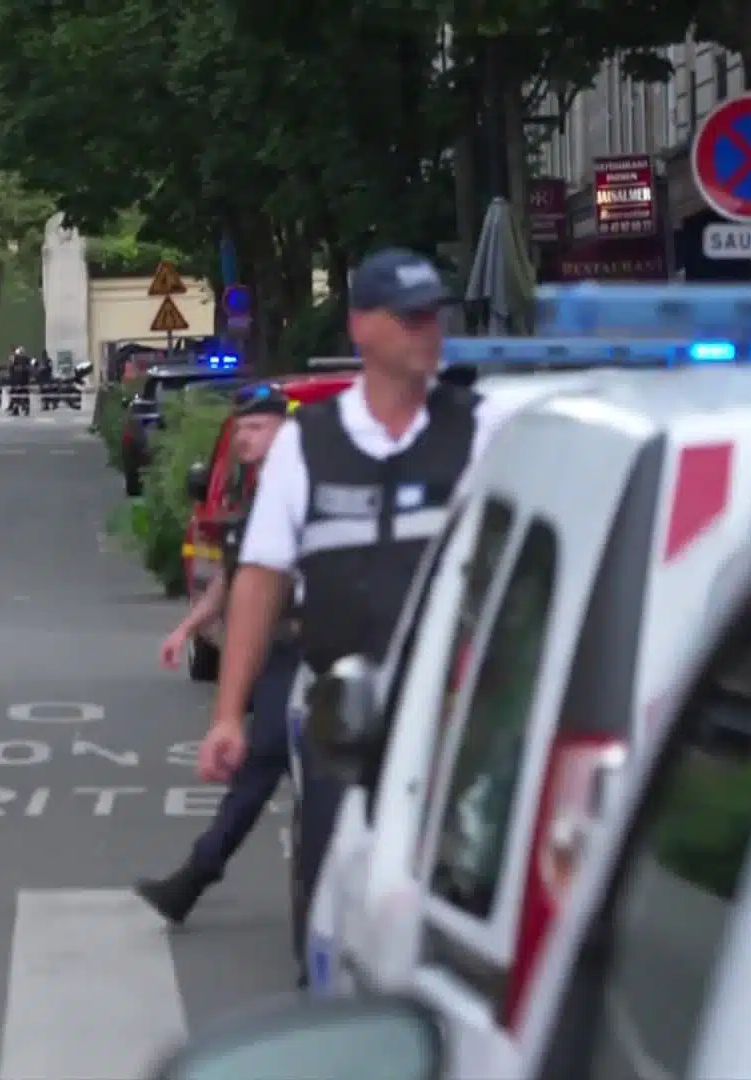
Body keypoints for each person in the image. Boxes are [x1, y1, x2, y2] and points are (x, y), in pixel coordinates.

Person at [194, 248, 515, 988]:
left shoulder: (486, 428)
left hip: (457, 715)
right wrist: (229, 714)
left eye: (432, 316)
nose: (425, 332)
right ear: (362, 326)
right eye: (407, 318)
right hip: (344, 715)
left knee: (458, 897)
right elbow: (261, 580)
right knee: (332, 880)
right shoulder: (310, 445)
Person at [132, 384, 296, 921]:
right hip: (272, 654)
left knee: (266, 765)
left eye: (256, 428)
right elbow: (234, 579)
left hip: (304, 650)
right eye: (241, 429)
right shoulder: (260, 495)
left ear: (284, 429)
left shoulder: (304, 491)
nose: (244, 439)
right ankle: (195, 880)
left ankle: (195, 879)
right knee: (271, 771)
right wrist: (187, 629)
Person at [8, 349, 33, 415]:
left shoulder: (16, 359)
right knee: (25, 394)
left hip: (18, 380)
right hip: (25, 380)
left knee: (16, 395)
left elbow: (11, 369)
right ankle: (26, 409)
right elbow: (32, 367)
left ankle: (16, 410)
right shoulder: (27, 359)